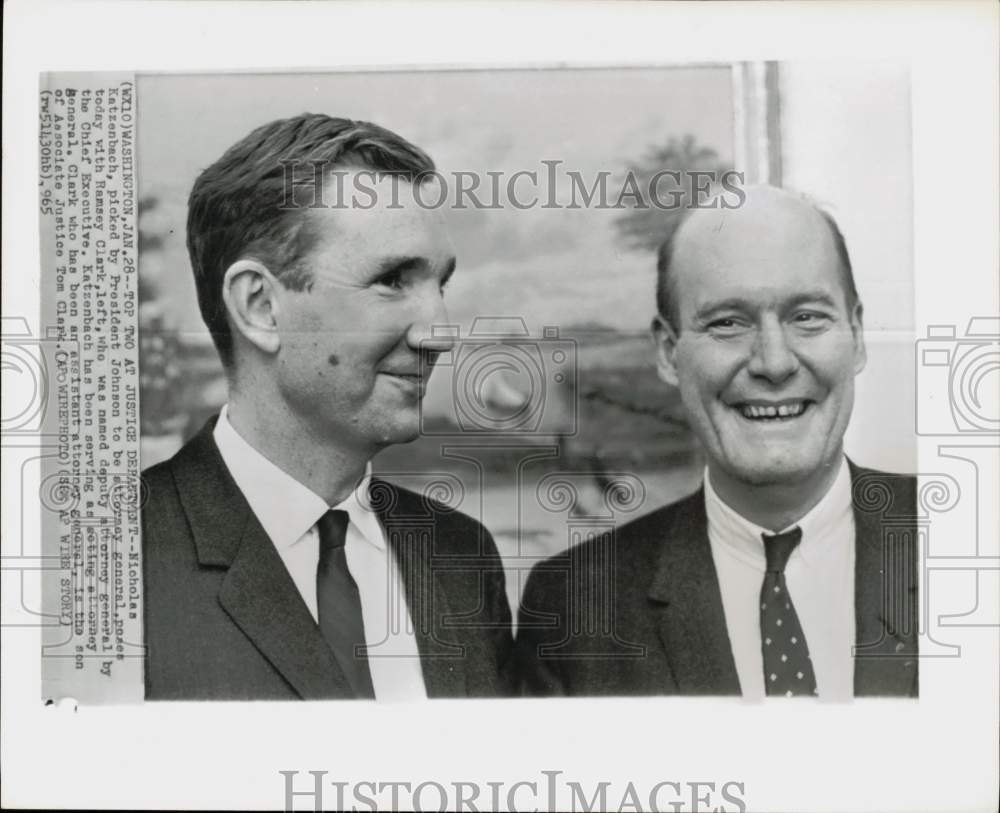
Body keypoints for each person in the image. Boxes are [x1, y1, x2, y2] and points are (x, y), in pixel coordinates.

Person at [141, 114, 513, 700]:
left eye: (440, 285)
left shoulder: (460, 554)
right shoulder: (116, 558)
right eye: (392, 280)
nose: (440, 332)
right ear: (261, 306)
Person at [515, 185, 918, 700]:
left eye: (807, 317)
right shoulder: (574, 608)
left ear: (857, 335)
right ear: (668, 352)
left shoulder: (973, 540)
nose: (774, 362)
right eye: (728, 323)